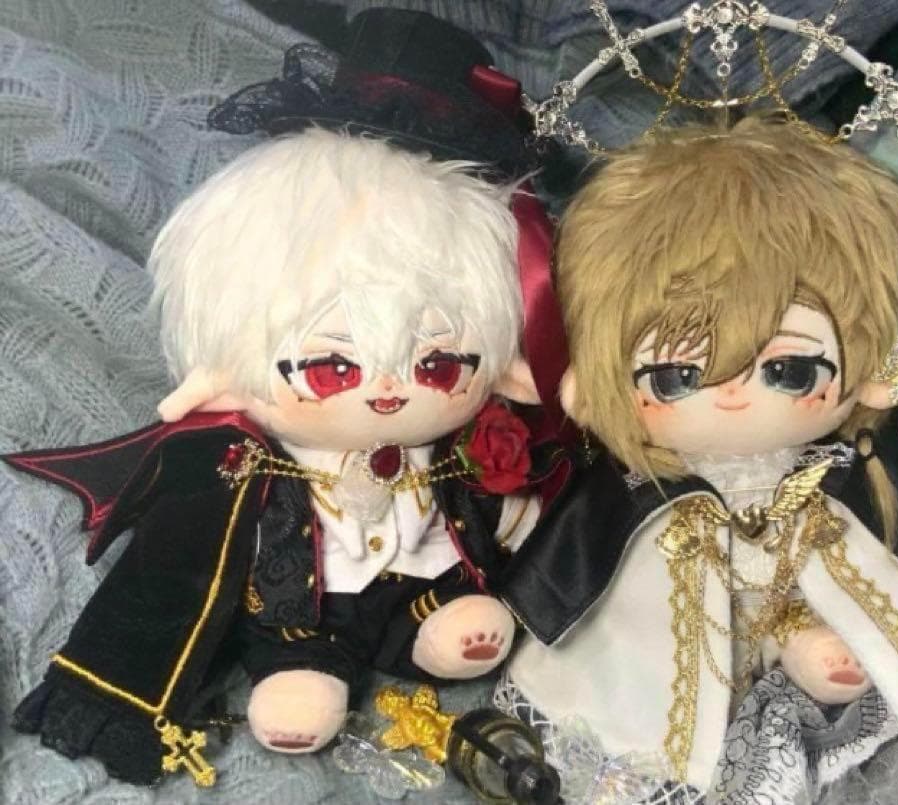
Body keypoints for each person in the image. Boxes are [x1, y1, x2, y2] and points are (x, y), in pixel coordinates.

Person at [8, 9, 564, 787]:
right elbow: (186, 567)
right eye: (333, 371)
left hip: (420, 586)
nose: (387, 392)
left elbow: (505, 510)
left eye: (438, 367)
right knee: (296, 649)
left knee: (461, 609)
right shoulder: (252, 460)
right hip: (303, 610)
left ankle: (434, 631)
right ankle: (307, 670)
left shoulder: (450, 451)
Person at [495, 116, 898, 803]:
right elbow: (572, 559)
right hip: (672, 641)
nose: (734, 398)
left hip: (809, 619)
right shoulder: (635, 486)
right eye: (676, 378)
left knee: (864, 640)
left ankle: (806, 649)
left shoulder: (848, 470)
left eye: (790, 370)